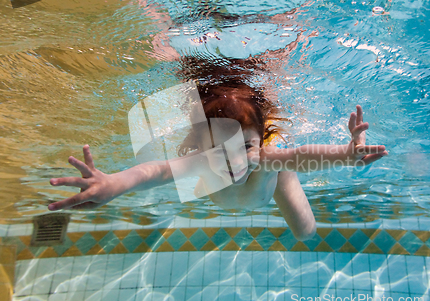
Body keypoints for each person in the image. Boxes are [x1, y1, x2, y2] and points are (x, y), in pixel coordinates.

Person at [48, 56, 388, 240]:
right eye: (221, 149)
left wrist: (346, 155)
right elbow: (156, 171)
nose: (237, 159)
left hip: (271, 178)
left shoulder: (263, 157)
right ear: (201, 146)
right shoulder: (199, 161)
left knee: (305, 232)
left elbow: (304, 155)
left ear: (259, 139)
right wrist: (114, 185)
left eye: (247, 146)